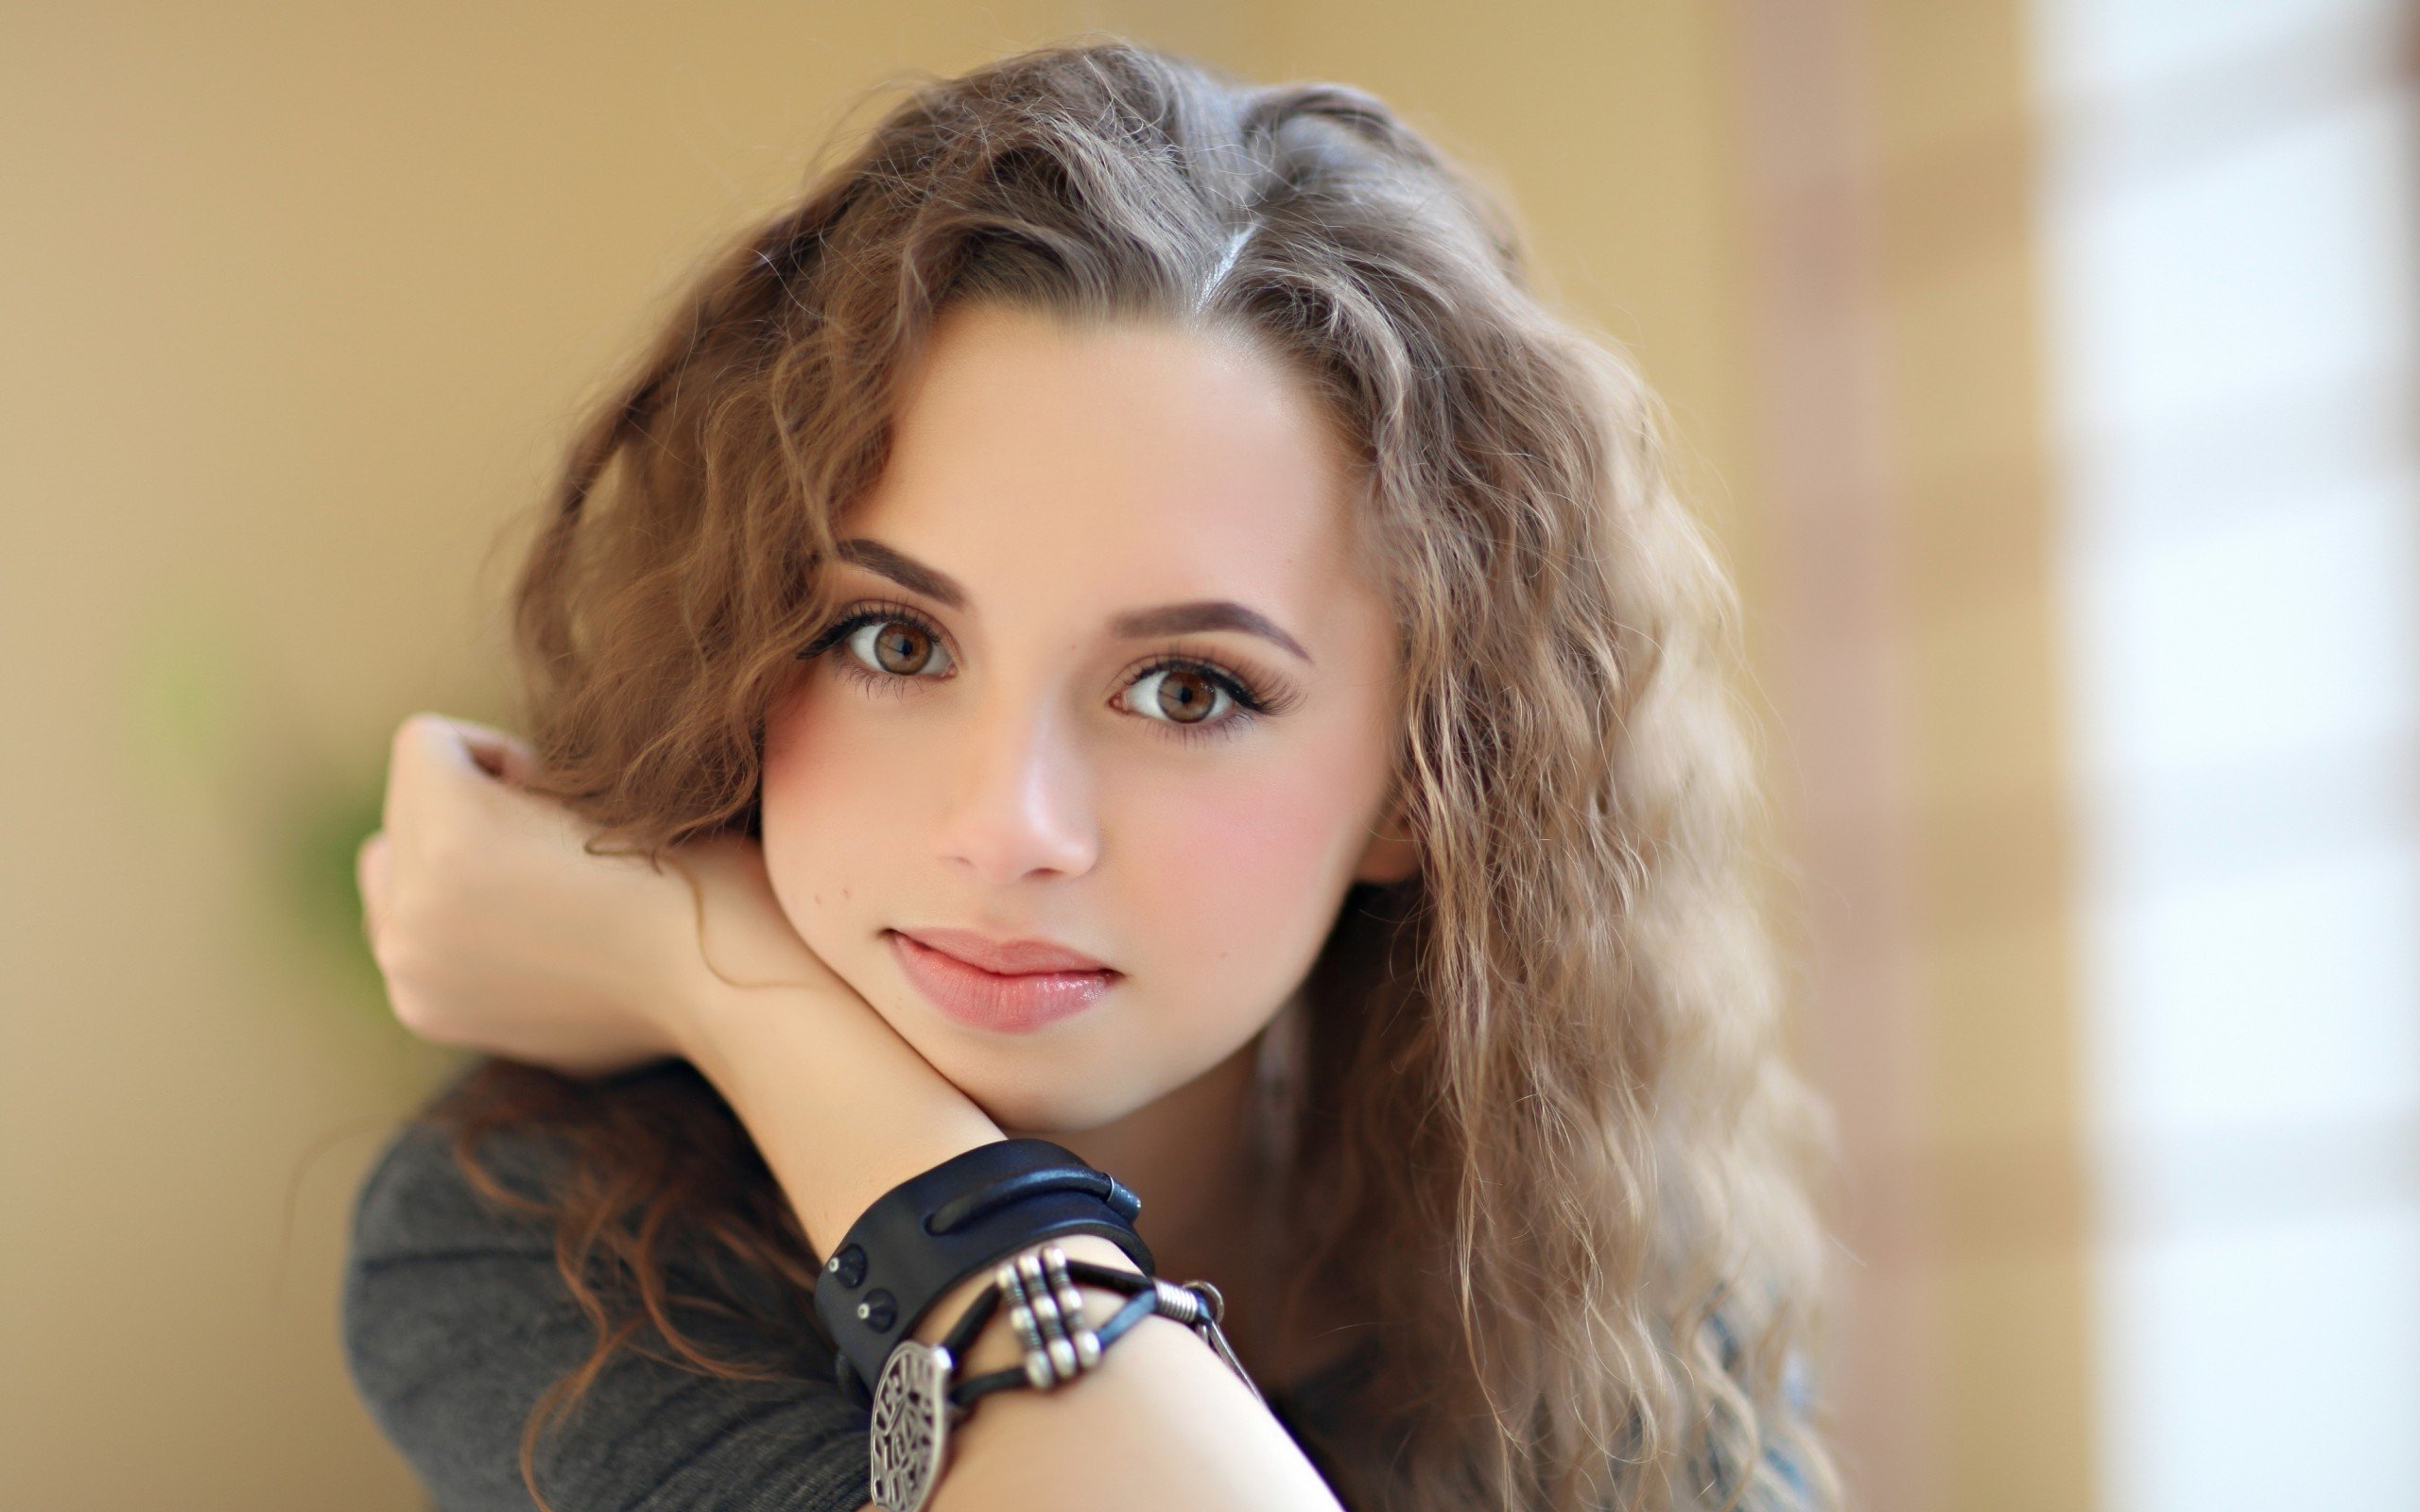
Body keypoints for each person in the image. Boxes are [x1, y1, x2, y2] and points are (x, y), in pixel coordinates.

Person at [343, 37, 1835, 1512]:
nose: (1007, 825)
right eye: (893, 641)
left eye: (1188, 690)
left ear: (1420, 783)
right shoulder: (549, 1251)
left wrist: (712, 973)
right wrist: (722, 987)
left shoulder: (1598, 1288)